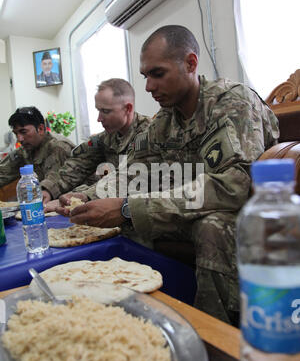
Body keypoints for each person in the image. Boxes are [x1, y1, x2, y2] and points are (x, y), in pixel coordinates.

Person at [57, 25, 279, 325]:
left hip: (247, 210)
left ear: (190, 63)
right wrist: (88, 196)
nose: (148, 86)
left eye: (157, 74)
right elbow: (135, 171)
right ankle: (142, 316)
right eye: (145, 75)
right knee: (124, 226)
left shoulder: (231, 102)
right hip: (193, 206)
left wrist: (127, 208)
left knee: (210, 228)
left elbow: (234, 185)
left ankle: (218, 333)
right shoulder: (165, 120)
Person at [41, 78, 151, 209]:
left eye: (106, 111)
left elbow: (129, 177)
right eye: (98, 110)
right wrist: (48, 189)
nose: (99, 119)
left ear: (127, 108)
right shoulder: (107, 137)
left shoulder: (150, 134)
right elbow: (78, 163)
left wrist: (85, 195)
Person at [0, 106, 75, 189]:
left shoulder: (59, 147)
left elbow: (54, 183)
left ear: (40, 129)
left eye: (23, 132)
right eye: (16, 134)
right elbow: (3, 172)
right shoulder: (25, 149)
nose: (19, 139)